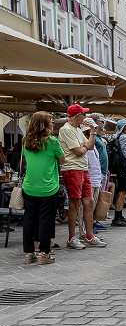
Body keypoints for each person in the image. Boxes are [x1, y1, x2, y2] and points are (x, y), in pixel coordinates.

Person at [22, 112, 65, 264]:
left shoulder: (25, 141)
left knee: (29, 219)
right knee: (45, 220)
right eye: (51, 121)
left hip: (29, 186)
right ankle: (44, 253)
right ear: (45, 124)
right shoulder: (52, 142)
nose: (53, 123)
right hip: (48, 186)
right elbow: (62, 159)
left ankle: (29, 253)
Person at [57, 103, 100, 249]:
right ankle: (71, 237)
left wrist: (93, 131)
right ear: (78, 116)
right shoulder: (66, 129)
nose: (86, 117)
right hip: (72, 169)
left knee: (89, 201)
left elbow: (90, 146)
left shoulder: (77, 130)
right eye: (84, 114)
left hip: (82, 168)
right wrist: (84, 147)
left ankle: (89, 235)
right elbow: (79, 151)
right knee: (75, 203)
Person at [76, 118, 107, 246]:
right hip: (90, 178)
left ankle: (89, 232)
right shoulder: (85, 145)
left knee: (91, 207)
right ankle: (83, 233)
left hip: (95, 179)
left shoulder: (92, 145)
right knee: (85, 208)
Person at [89, 113, 109, 232]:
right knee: (93, 198)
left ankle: (94, 221)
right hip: (97, 171)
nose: (103, 123)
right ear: (96, 122)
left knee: (98, 197)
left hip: (103, 170)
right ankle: (90, 223)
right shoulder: (93, 137)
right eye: (102, 121)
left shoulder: (99, 138)